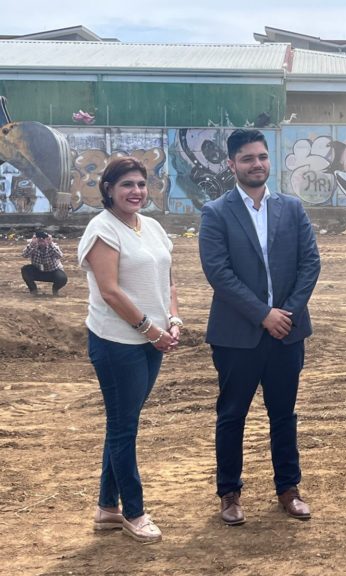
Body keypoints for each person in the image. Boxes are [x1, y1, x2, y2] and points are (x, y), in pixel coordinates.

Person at [199, 128, 320, 526]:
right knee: (232, 415)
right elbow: (219, 272)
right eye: (248, 158)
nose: (257, 164)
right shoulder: (216, 212)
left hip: (288, 332)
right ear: (231, 164)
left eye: (262, 157)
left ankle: (288, 489)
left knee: (283, 414)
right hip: (237, 336)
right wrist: (262, 315)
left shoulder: (292, 208)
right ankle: (229, 494)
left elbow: (310, 264)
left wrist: (286, 313)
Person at [78, 157, 182, 544]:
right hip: (116, 343)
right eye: (126, 185)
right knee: (124, 427)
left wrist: (173, 320)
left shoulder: (152, 227)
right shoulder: (102, 229)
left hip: (152, 340)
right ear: (108, 189)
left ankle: (107, 507)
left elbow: (168, 278)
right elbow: (110, 291)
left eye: (141, 183)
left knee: (123, 422)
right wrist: (151, 330)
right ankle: (133, 513)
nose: (136, 191)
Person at [21, 230, 68, 296]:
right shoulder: (33, 246)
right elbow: (24, 255)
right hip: (38, 271)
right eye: (39, 238)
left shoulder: (52, 246)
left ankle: (55, 290)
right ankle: (33, 291)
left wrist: (50, 243)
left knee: (62, 278)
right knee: (25, 269)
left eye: (43, 238)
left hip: (53, 272)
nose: (41, 240)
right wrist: (32, 244)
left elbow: (60, 256)